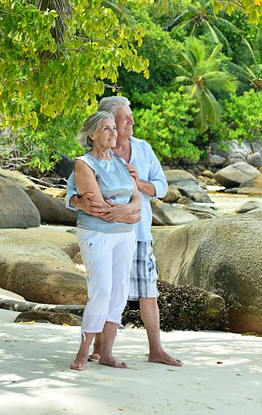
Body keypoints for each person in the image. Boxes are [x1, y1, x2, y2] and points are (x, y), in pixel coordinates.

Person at [66, 96, 182, 366]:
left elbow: (157, 190)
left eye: (127, 118)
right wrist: (79, 201)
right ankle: (95, 350)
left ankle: (153, 350)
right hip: (104, 232)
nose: (130, 122)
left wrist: (131, 196)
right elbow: (76, 192)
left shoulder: (141, 151)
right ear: (101, 127)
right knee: (104, 290)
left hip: (136, 232)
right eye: (123, 118)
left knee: (144, 291)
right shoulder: (87, 161)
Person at [70, 111, 142, 371]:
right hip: (96, 234)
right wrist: (129, 214)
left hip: (124, 237)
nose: (114, 133)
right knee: (101, 291)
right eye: (107, 129)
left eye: (114, 128)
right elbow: (98, 207)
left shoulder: (122, 164)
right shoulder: (84, 164)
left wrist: (126, 213)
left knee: (119, 292)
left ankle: (107, 353)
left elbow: (138, 202)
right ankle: (82, 352)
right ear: (92, 134)